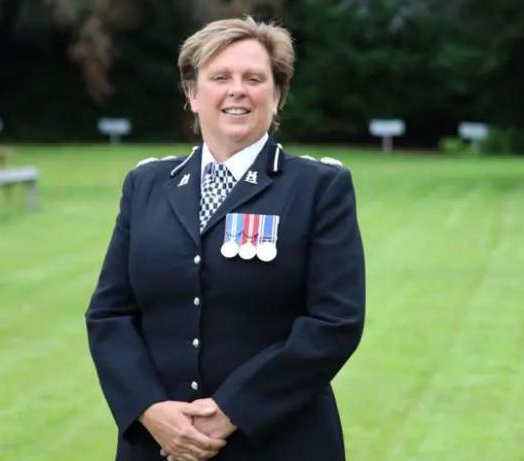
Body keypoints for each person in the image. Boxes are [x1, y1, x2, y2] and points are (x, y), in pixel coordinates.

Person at [86, 16, 365, 461]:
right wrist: (149, 409)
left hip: (280, 444)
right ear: (193, 95)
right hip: (158, 445)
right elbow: (110, 315)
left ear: (276, 97)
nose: (237, 89)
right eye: (219, 77)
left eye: (254, 78)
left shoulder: (318, 187)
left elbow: (334, 322)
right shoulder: (146, 186)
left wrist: (232, 410)